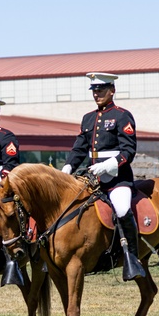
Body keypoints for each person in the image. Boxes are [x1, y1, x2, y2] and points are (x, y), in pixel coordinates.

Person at [62, 72, 145, 281]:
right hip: (92, 178)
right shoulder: (88, 118)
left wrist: (108, 166)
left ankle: (131, 258)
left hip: (117, 179)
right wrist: (67, 167)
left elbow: (128, 152)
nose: (97, 94)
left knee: (122, 208)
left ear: (112, 90)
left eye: (101, 90)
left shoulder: (122, 116)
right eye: (94, 90)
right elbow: (79, 148)